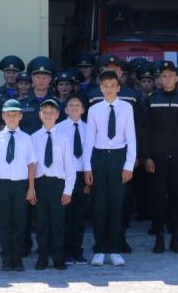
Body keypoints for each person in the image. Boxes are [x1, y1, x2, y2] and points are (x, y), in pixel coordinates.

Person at [139, 60, 178, 254]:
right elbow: (145, 131)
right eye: (163, 76)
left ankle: (176, 238)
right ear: (159, 80)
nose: (167, 79)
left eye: (171, 75)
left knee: (177, 197)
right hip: (157, 158)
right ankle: (159, 238)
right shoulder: (151, 100)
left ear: (177, 78)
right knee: (158, 198)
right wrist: (147, 157)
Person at [84, 68, 135, 267]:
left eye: (112, 86)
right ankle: (99, 249)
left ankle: (114, 249)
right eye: (105, 86)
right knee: (99, 205)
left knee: (116, 204)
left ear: (118, 87)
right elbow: (89, 139)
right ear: (101, 88)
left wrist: (128, 165)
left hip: (118, 157)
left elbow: (131, 137)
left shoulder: (126, 108)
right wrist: (87, 167)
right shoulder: (94, 109)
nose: (109, 89)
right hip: (99, 157)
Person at [0, 98, 36, 272]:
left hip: (20, 184)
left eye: (15, 115)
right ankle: (7, 258)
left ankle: (18, 258)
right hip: (1, 184)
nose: (12, 118)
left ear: (21, 116)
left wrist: (31, 188)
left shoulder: (26, 138)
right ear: (3, 116)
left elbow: (31, 164)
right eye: (9, 115)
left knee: (20, 222)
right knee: (4, 223)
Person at [31, 97, 75, 270]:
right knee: (41, 223)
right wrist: (32, 188)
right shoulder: (34, 137)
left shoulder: (64, 138)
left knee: (58, 223)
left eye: (51, 112)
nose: (48, 115)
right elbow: (32, 166)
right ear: (40, 115)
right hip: (41, 183)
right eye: (45, 112)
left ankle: (58, 257)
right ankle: (42, 257)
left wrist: (68, 191)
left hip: (58, 184)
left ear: (57, 115)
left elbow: (69, 166)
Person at [54, 94, 91, 264]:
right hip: (65, 177)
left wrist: (89, 177)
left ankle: (77, 251)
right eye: (71, 105)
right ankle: (65, 251)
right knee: (65, 216)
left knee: (79, 216)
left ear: (83, 110)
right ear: (66, 110)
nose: (74, 108)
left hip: (82, 176)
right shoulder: (59, 128)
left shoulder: (89, 128)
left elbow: (91, 153)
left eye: (78, 105)